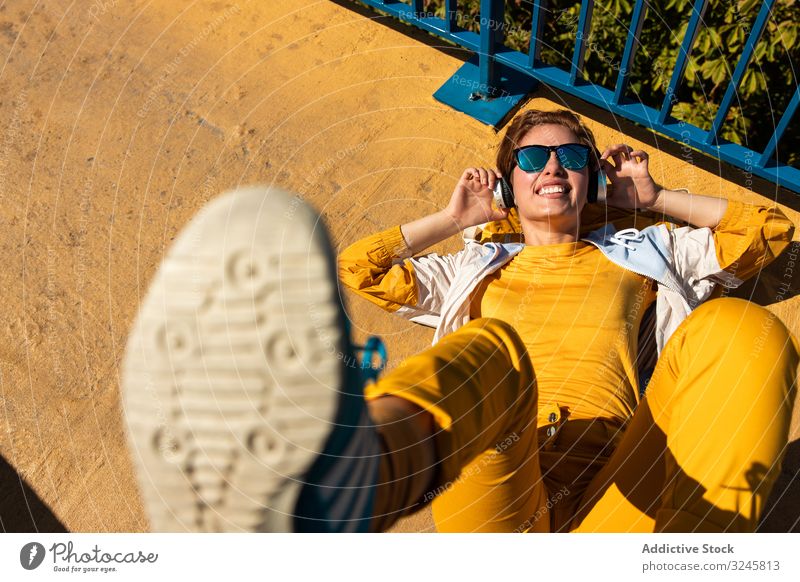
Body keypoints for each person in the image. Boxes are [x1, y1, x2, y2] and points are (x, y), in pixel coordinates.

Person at [122, 109, 798, 533]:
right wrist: (454, 221)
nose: (553, 167)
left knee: (745, 330)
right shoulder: (477, 264)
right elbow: (363, 267)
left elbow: (765, 231)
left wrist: (653, 197)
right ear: (509, 184)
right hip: (502, 490)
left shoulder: (645, 247)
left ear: (592, 179)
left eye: (571, 158)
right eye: (534, 159)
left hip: (623, 494)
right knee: (491, 355)